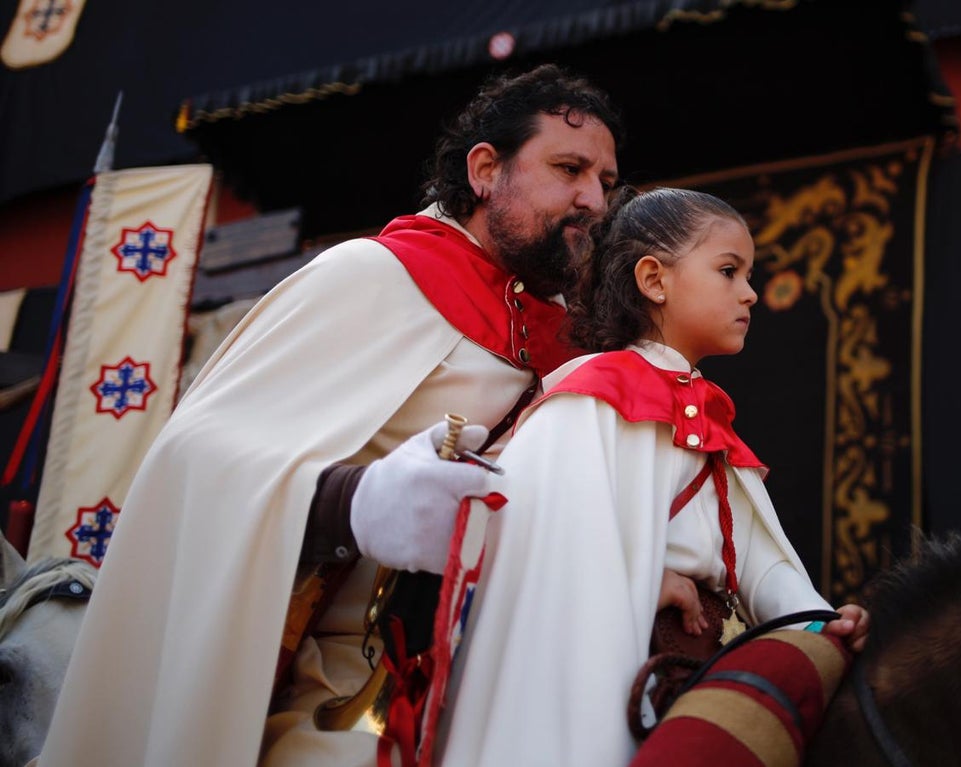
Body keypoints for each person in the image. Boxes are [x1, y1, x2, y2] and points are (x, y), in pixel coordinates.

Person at [36, 63, 624, 767]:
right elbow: (190, 459)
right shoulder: (371, 276)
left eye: (607, 183)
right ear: (486, 170)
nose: (592, 198)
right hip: (320, 691)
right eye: (568, 168)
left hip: (498, 682)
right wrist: (359, 502)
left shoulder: (573, 341)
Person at [433, 187, 870, 766]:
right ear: (654, 279)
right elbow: (544, 542)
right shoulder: (592, 392)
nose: (750, 293)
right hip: (614, 673)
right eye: (728, 270)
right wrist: (644, 581)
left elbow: (759, 562)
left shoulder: (705, 410)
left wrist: (820, 623)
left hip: (687, 676)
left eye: (747, 274)